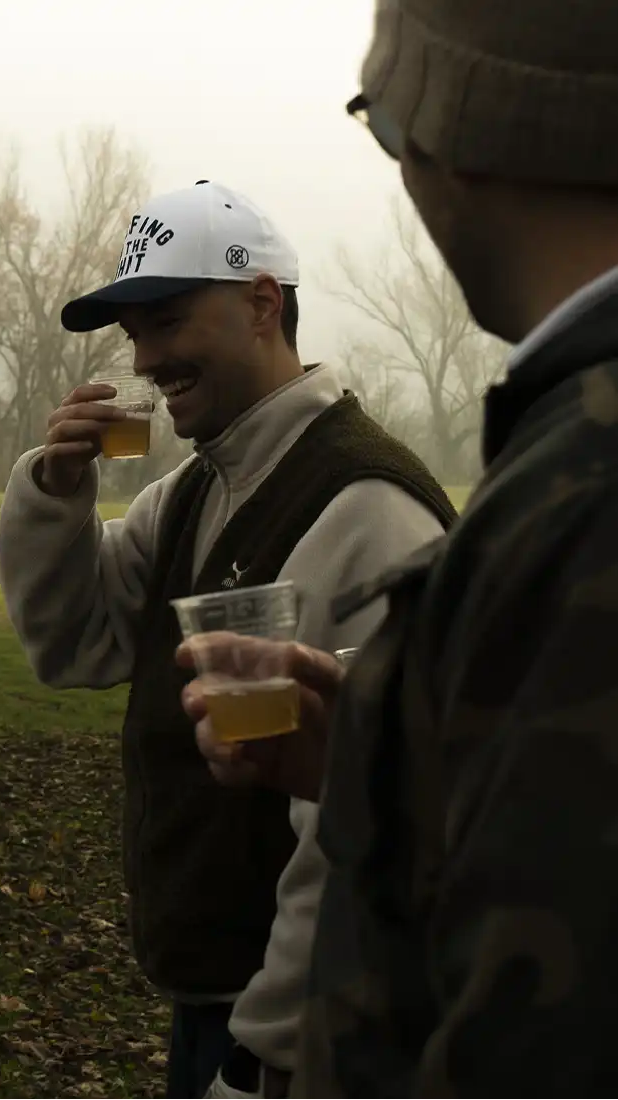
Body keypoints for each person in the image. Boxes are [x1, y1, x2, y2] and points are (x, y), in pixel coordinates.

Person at [182, 2, 618, 1097]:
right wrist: (380, 761)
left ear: (444, 137)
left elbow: (538, 1016)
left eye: (380, 123)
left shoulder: (578, 499)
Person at [0, 179, 455, 1100]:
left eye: (166, 321)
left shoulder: (369, 505)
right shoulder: (192, 493)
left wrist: (264, 1055)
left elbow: (361, 825)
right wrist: (53, 491)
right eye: (132, 334)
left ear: (261, 304)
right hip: (213, 1002)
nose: (146, 357)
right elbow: (74, 645)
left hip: (300, 1033)